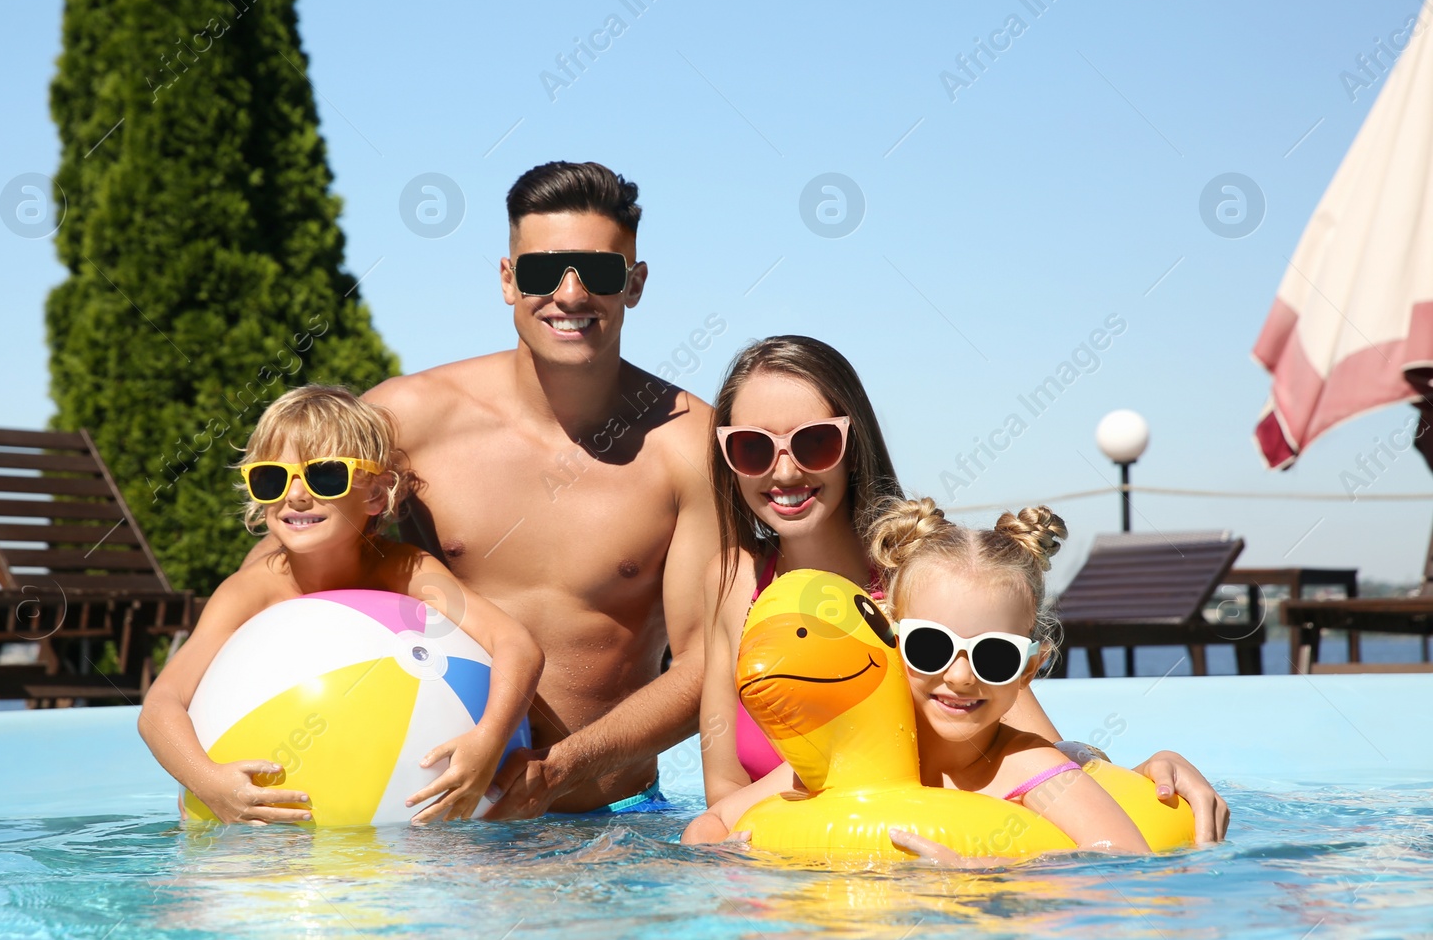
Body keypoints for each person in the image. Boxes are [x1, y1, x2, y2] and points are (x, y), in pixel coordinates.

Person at [245, 162, 716, 816]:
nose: (571, 293)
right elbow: (279, 567)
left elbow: (709, 663)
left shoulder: (688, 445)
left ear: (634, 284)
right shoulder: (407, 422)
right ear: (506, 279)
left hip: (614, 823)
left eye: (601, 272)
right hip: (433, 819)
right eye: (541, 271)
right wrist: (220, 748)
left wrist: (560, 768)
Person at [691, 336, 1231, 842]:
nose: (784, 471)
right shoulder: (736, 586)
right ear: (727, 458)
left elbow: (1029, 751)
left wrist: (1141, 776)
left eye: (814, 441)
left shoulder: (926, 583)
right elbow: (726, 793)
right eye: (752, 448)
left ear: (853, 445)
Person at [141, 386, 543, 824]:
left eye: (325, 476)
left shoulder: (404, 571)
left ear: (375, 495)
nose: (295, 496)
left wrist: (487, 740)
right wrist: (209, 782)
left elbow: (516, 645)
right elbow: (161, 704)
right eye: (272, 478)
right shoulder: (249, 593)